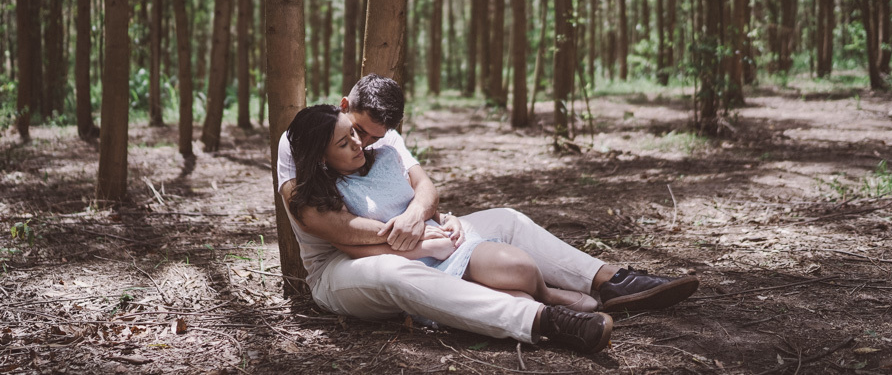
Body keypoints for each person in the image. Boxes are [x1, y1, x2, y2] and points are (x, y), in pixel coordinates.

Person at [276, 74, 698, 352]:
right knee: (393, 273)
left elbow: (424, 188)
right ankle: (541, 319)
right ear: (344, 105)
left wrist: (422, 218)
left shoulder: (375, 137)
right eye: (355, 135)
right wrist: (413, 235)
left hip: (416, 236)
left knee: (508, 219)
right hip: (345, 266)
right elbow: (329, 226)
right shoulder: (300, 140)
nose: (364, 145)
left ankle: (612, 282)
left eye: (368, 137)